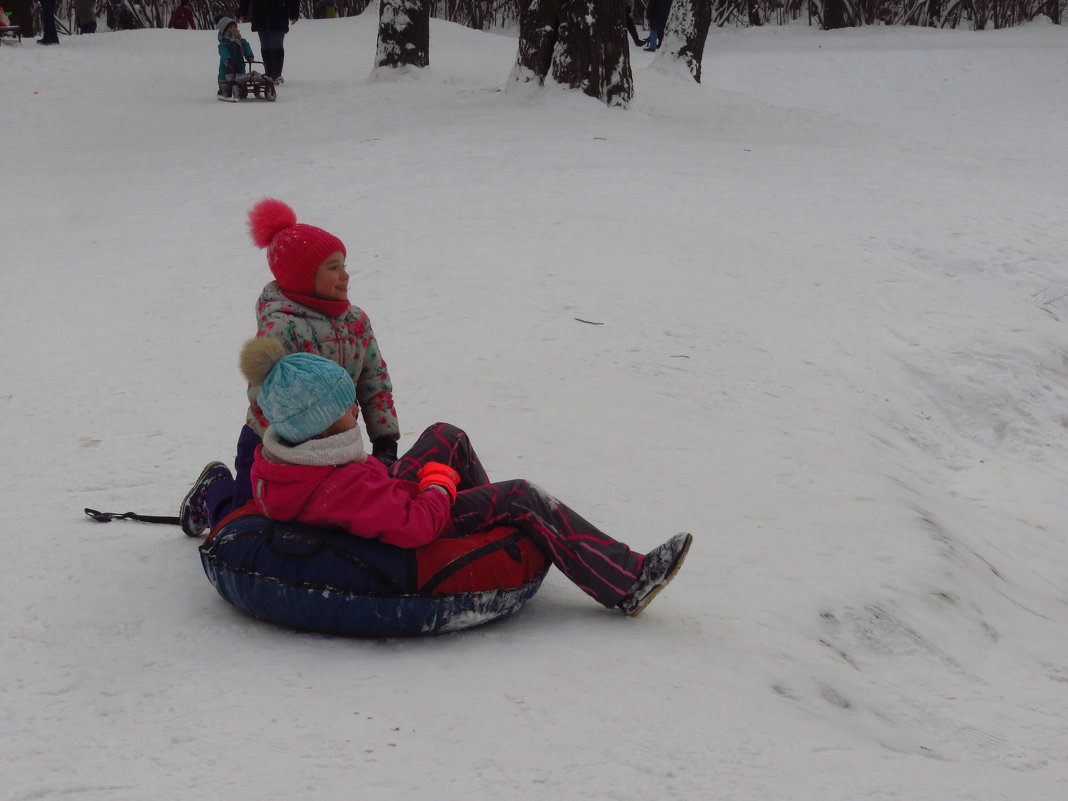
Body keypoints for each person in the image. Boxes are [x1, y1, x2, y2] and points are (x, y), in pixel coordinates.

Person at [237, 336, 693, 616]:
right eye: (346, 405)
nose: (357, 408)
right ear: (321, 422)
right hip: (414, 519)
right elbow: (416, 526)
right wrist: (438, 486)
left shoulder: (283, 460)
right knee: (522, 496)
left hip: (383, 494)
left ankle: (495, 532)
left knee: (445, 435)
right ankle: (626, 581)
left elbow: (359, 488)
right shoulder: (342, 484)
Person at [180, 198, 400, 536]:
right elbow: (265, 397)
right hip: (271, 445)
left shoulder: (356, 321)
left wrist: (384, 440)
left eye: (344, 265)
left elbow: (374, 380)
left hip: (337, 442)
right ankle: (213, 490)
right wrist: (290, 454)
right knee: (243, 523)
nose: (345, 275)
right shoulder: (281, 329)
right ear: (303, 276)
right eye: (333, 267)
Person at [238, 0, 298, 84]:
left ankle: (276, 75)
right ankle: (269, 74)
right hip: (260, 16)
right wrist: (242, 11)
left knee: (276, 45)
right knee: (265, 46)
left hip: (279, 15)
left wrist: (294, 13)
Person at [215, 16, 254, 101]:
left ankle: (240, 89)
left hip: (240, 63)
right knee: (225, 77)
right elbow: (223, 50)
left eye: (235, 27)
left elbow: (246, 46)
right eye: (231, 27)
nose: (234, 29)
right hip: (227, 64)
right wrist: (226, 58)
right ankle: (224, 89)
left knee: (241, 76)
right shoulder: (224, 43)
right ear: (225, 30)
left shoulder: (241, 40)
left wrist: (249, 56)